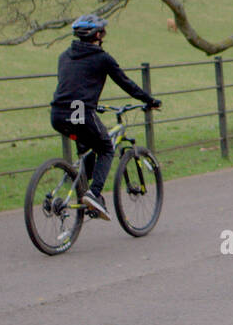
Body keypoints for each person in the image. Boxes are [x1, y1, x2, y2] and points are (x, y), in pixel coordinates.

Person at [50, 14, 160, 220]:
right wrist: (150, 101)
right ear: (98, 35)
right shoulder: (102, 58)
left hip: (58, 114)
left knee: (88, 149)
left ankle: (78, 188)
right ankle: (94, 194)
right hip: (81, 113)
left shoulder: (64, 56)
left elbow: (72, 85)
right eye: (104, 32)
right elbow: (126, 83)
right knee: (106, 148)